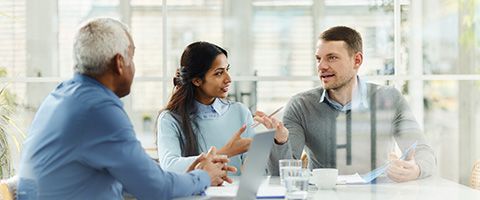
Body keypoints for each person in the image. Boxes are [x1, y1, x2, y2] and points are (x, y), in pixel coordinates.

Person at [16, 18, 235, 200]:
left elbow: (134, 171)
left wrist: (188, 172)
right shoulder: (98, 109)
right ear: (119, 63)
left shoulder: (62, 96)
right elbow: (156, 189)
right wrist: (203, 176)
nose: (134, 66)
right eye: (132, 56)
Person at [268, 26, 436, 182]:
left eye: (332, 58)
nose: (321, 66)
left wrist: (416, 169)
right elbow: (280, 175)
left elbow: (424, 152)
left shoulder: (389, 99)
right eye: (318, 59)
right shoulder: (301, 106)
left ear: (357, 60)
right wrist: (280, 142)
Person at [156, 41, 287, 174]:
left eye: (227, 70)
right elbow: (170, 166)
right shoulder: (170, 119)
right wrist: (226, 152)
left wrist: (277, 141)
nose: (228, 79)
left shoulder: (240, 112)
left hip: (235, 194)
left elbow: (256, 173)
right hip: (194, 194)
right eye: (219, 73)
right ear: (197, 80)